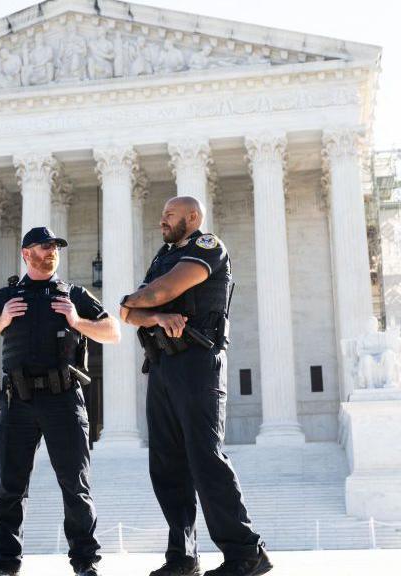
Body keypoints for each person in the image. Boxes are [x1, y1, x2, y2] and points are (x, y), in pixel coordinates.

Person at [120, 197, 272, 576]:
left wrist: (138, 303)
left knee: (205, 458)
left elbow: (152, 294)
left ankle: (246, 553)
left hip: (197, 362)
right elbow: (132, 315)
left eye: (169, 214)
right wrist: (153, 313)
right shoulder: (162, 257)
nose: (162, 220)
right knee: (167, 465)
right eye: (162, 213)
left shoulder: (208, 248)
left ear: (192, 217)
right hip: (162, 364)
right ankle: (182, 557)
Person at [0, 226, 121, 576]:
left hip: (63, 399)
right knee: (11, 489)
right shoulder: (7, 296)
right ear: (26, 253)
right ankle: (5, 565)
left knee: (75, 485)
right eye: (43, 246)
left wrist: (77, 320)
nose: (51, 252)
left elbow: (112, 332)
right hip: (18, 401)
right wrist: (2, 320)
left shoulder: (73, 294)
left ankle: (85, 563)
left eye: (54, 247)